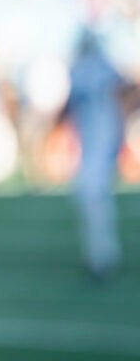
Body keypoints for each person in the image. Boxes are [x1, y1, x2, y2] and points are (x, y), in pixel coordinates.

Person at [60, 28, 127, 281]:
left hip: (99, 141)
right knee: (91, 198)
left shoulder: (86, 68)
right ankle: (100, 254)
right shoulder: (95, 66)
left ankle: (102, 257)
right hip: (94, 141)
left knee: (91, 197)